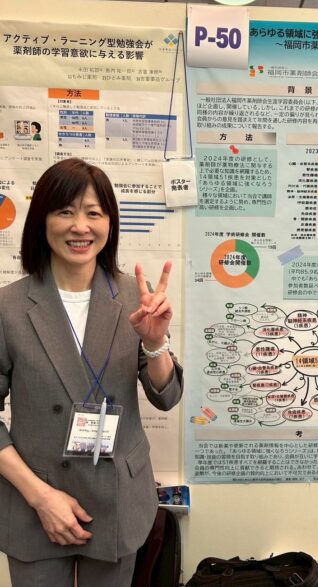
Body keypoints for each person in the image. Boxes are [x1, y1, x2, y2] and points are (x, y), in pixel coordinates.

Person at [0, 158, 183, 587]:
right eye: (65, 211)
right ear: (42, 221)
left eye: (93, 213)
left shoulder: (135, 297)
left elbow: (166, 396)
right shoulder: (8, 306)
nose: (80, 226)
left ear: (110, 223)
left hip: (117, 497)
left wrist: (156, 342)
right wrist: (40, 497)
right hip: (35, 500)